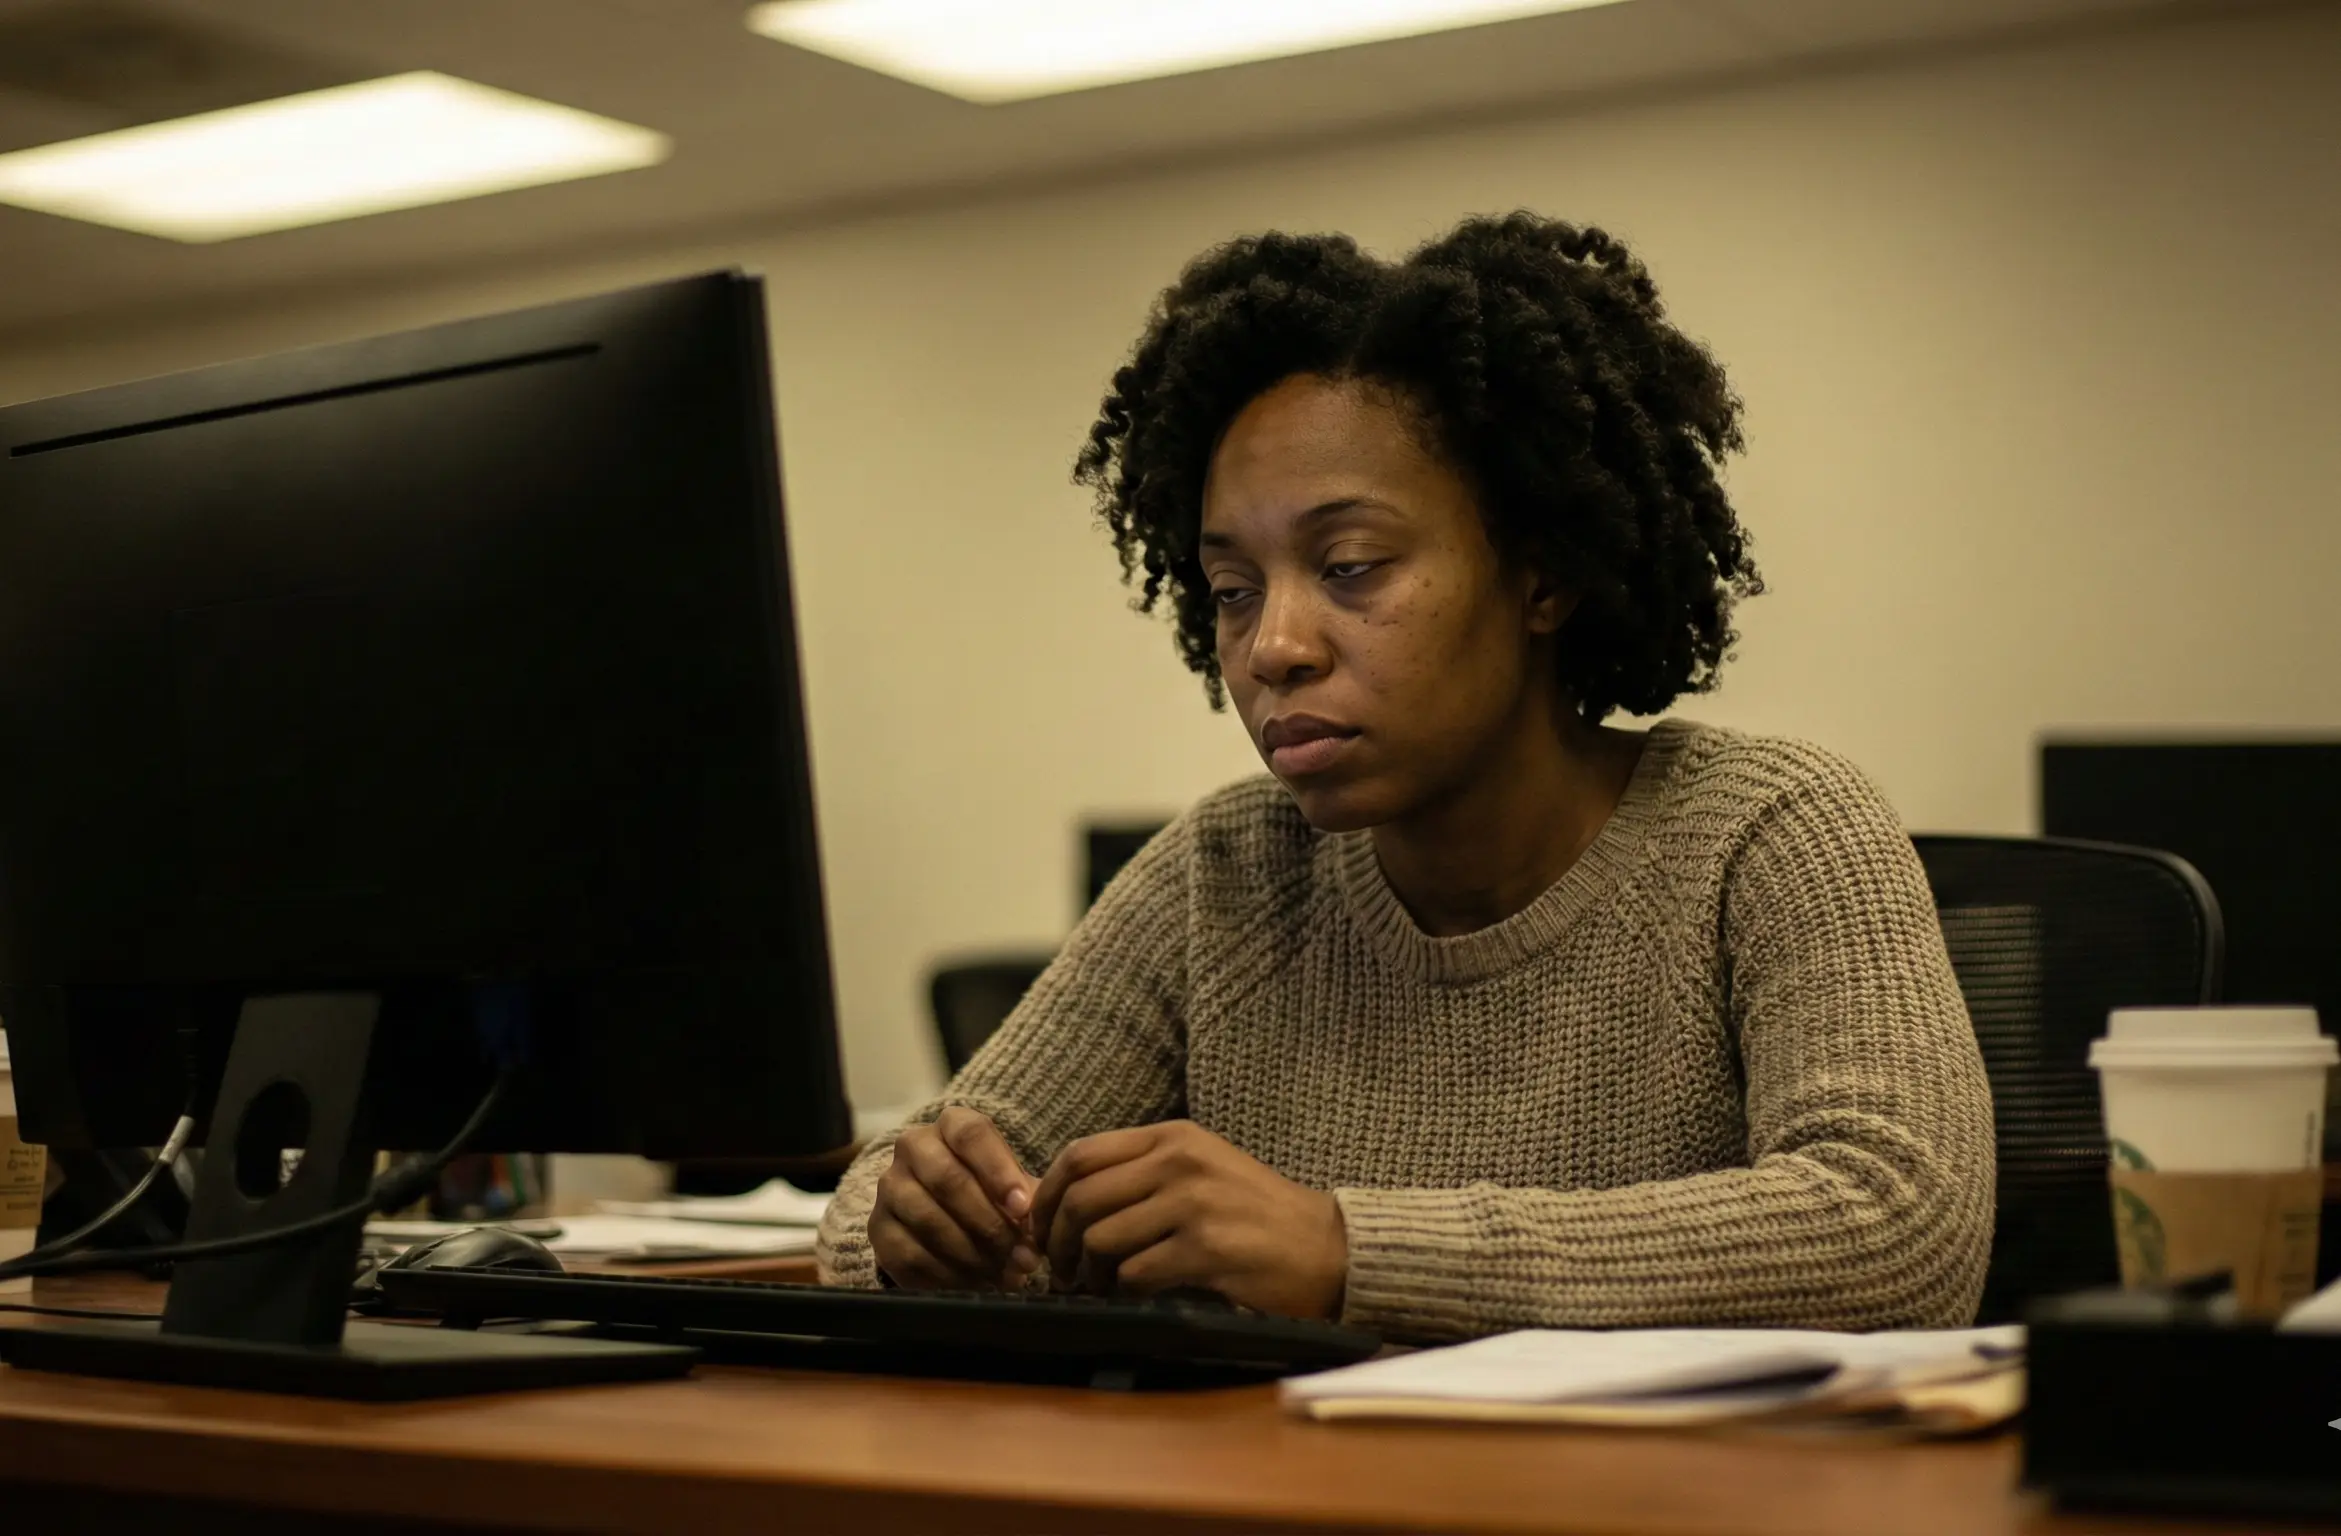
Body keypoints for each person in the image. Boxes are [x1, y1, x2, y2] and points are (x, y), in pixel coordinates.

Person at [815, 212, 1995, 1340]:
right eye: (1233, 590)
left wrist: (1344, 1251)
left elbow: (1896, 1228)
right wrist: (924, 1224)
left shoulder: (1769, 830)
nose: (1274, 645)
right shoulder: (1227, 870)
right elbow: (888, 1192)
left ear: (1540, 578)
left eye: (1350, 565)